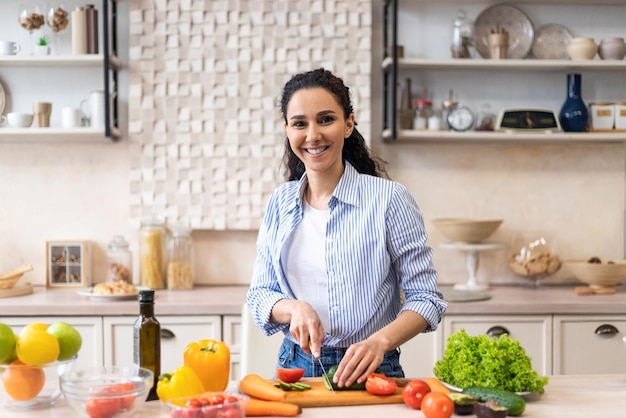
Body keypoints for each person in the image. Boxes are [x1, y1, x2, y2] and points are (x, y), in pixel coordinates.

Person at [246, 68, 447, 388]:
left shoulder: (389, 200)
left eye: (326, 119)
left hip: (374, 370)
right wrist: (293, 309)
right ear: (287, 130)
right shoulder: (280, 203)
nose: (312, 135)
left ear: (348, 123)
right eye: (300, 123)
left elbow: (426, 300)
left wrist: (379, 342)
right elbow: (260, 296)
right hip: (296, 369)